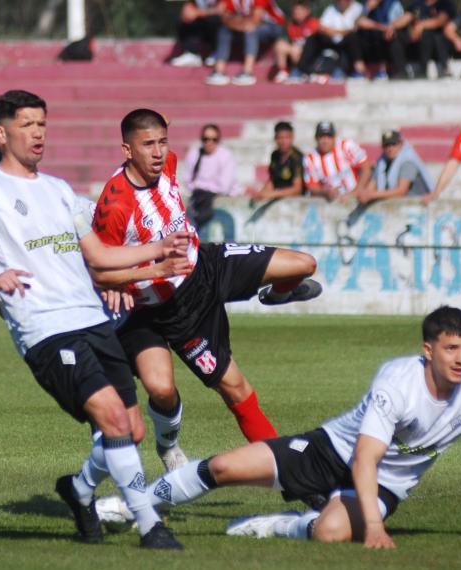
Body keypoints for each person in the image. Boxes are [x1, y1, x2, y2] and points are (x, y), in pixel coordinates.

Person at [97, 306, 461, 548]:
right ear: (428, 349)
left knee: (327, 534)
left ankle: (284, 526)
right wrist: (373, 529)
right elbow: (363, 456)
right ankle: (128, 506)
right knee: (223, 466)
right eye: (452, 349)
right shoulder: (397, 381)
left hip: (386, 484)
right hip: (330, 450)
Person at [0, 90, 190, 550]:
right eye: (27, 124)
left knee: (131, 430)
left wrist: (159, 251)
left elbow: (97, 253)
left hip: (93, 320)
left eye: (42, 124)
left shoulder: (58, 190)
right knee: (113, 420)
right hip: (45, 330)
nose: (38, 133)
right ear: (1, 133)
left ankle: (77, 491)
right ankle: (151, 525)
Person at [89, 108, 322, 472]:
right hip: (163, 310)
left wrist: (162, 123)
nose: (157, 152)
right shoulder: (114, 204)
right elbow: (99, 270)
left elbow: (161, 130)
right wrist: (153, 271)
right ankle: (284, 472)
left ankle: (276, 295)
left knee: (304, 264)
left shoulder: (167, 164)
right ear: (126, 150)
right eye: (147, 144)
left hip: (207, 266)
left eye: (162, 142)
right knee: (188, 389)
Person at [205, 0, 286, 86]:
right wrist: (239, 24)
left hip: (273, 26)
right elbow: (225, 17)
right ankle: (219, 71)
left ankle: (248, 72)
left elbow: (256, 19)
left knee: (250, 30)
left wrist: (237, 23)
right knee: (224, 30)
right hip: (244, 23)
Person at [183, 124, 241, 229]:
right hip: (197, 202)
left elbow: (224, 187)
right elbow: (188, 181)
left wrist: (201, 186)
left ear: (218, 140)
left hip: (221, 204)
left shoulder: (225, 155)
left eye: (214, 139)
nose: (209, 142)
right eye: (206, 139)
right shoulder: (194, 154)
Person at [295, 0, 367, 83]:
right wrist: (341, 31)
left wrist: (335, 31)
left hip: (348, 40)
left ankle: (359, 70)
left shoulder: (358, 8)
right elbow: (322, 27)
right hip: (331, 40)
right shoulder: (331, 8)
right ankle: (301, 70)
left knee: (353, 37)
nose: (341, 2)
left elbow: (354, 29)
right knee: (313, 38)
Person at [353, 130, 431, 204]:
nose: (390, 149)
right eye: (387, 145)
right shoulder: (382, 163)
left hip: (416, 206)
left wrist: (372, 195)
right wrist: (361, 194)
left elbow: (401, 191)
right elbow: (371, 187)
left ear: (401, 144)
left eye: (393, 144)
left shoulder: (408, 162)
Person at [303, 121, 371, 201]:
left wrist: (355, 192)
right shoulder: (310, 159)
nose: (325, 141)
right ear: (316, 138)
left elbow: (366, 168)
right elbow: (312, 186)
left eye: (329, 136)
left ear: (334, 137)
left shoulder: (347, 146)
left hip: (356, 196)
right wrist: (325, 193)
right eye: (321, 137)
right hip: (332, 201)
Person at [390, 0, 456, 79]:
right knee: (396, 36)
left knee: (427, 34)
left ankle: (423, 70)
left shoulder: (445, 4)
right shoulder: (417, 4)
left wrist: (422, 26)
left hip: (438, 45)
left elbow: (440, 21)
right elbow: (407, 17)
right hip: (417, 41)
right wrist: (391, 27)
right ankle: (401, 71)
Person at [249, 121, 304, 202]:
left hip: (295, 202)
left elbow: (297, 189)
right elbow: (272, 181)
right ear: (275, 138)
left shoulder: (297, 158)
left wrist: (272, 194)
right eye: (280, 138)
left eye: (287, 137)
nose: (283, 141)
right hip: (279, 201)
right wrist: (261, 193)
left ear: (292, 138)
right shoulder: (275, 155)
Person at [356, 0, 406, 80]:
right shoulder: (367, 4)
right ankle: (368, 69)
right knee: (358, 35)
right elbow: (359, 22)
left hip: (391, 33)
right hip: (376, 33)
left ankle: (393, 69)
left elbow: (398, 21)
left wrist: (389, 29)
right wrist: (367, 9)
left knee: (393, 37)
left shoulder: (393, 3)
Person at [272, 1, 319, 83]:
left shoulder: (315, 23)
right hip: (294, 52)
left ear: (307, 11)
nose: (297, 13)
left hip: (310, 56)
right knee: (280, 45)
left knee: (295, 49)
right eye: (295, 11)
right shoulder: (291, 25)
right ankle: (284, 71)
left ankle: (303, 72)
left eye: (300, 10)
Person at [169, 0, 223, 67]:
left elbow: (221, 9)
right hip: (200, 26)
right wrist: (188, 15)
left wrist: (198, 13)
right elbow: (187, 9)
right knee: (180, 19)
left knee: (214, 19)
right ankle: (192, 54)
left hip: (217, 28)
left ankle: (216, 53)